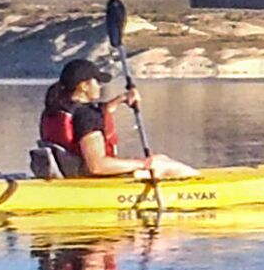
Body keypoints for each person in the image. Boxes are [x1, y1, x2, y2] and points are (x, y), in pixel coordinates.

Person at [31, 57, 184, 179]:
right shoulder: (87, 116)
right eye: (97, 82)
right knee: (165, 163)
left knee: (162, 162)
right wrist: (145, 163)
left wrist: (122, 99)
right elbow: (97, 166)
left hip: (66, 174)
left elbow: (93, 115)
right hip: (87, 181)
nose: (100, 86)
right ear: (84, 86)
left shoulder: (56, 108)